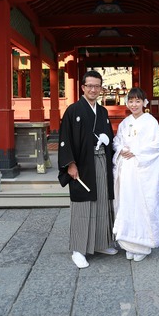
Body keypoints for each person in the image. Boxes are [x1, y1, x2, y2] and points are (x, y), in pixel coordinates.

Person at [58, 70, 117, 268]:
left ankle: (100, 243)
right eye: (89, 86)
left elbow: (108, 136)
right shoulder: (73, 110)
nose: (93, 89)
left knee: (102, 201)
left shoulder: (102, 111)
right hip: (82, 164)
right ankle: (78, 249)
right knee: (83, 204)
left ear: (101, 88)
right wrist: (70, 164)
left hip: (101, 162)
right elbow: (65, 139)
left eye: (97, 86)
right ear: (83, 87)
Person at [112, 87, 159, 262]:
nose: (134, 104)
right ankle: (128, 243)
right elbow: (117, 141)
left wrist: (134, 150)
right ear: (127, 103)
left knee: (143, 203)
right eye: (131, 101)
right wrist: (121, 149)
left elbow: (157, 144)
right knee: (127, 202)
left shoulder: (150, 122)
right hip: (126, 169)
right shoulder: (124, 123)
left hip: (143, 171)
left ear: (144, 103)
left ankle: (143, 244)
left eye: (138, 101)